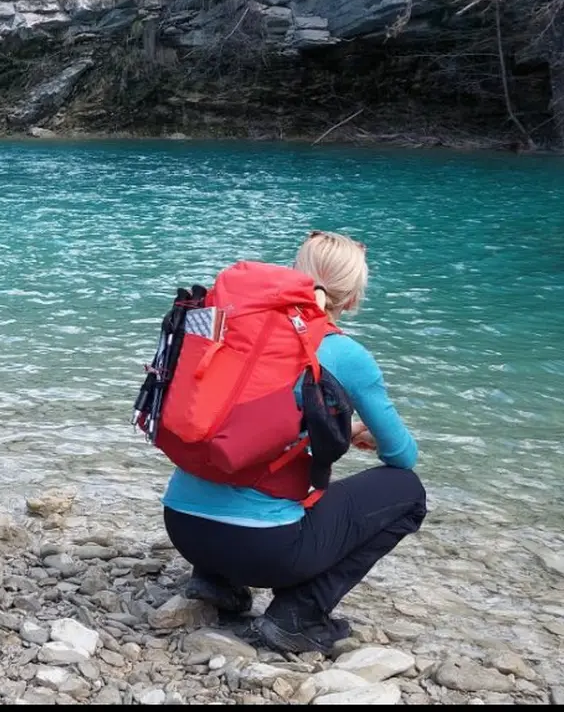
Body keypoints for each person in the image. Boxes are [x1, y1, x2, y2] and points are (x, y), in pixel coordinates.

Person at [160, 230, 427, 654]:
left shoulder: (238, 333)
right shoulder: (346, 355)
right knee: (408, 492)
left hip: (181, 524)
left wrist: (338, 428)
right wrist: (362, 432)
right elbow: (402, 455)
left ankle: (215, 582)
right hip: (265, 550)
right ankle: (297, 616)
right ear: (353, 300)